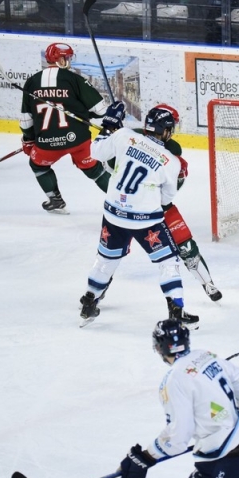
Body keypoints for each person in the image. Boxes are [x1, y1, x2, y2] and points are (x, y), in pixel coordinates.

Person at [78, 104, 199, 329]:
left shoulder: (124, 135)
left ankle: (89, 300)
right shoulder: (171, 161)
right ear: (165, 130)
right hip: (146, 220)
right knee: (168, 262)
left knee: (106, 260)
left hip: (113, 215)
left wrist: (108, 127)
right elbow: (166, 199)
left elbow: (95, 152)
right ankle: (176, 309)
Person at [117, 318, 239, 478]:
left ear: (158, 347)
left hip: (225, 457)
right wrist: (237, 415)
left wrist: (146, 457)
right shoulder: (205, 355)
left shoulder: (174, 381)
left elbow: (178, 436)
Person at [19, 42, 110, 213]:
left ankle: (55, 199)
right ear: (58, 58)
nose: (68, 60)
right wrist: (83, 114)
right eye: (66, 57)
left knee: (38, 165)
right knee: (94, 169)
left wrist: (28, 140)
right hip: (79, 140)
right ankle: (124, 201)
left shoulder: (31, 82)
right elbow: (100, 110)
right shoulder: (74, 79)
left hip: (47, 143)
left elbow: (25, 121)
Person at [149, 104, 223, 302]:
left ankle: (208, 283)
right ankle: (95, 292)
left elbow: (170, 191)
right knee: (114, 251)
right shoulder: (131, 141)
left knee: (187, 246)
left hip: (161, 208)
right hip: (132, 208)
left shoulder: (172, 151)